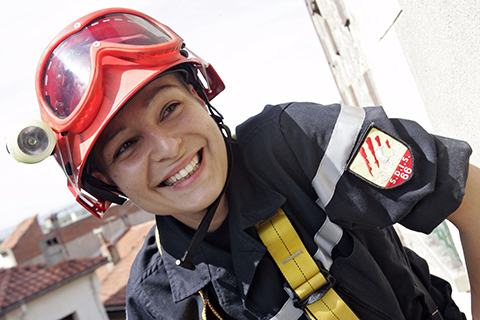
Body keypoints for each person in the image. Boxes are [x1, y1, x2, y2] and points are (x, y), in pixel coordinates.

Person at [9, 7, 479, 320]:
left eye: (169, 108)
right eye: (126, 147)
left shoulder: (300, 144)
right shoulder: (159, 302)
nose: (168, 147)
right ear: (108, 184)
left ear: (201, 97)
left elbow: (473, 202)